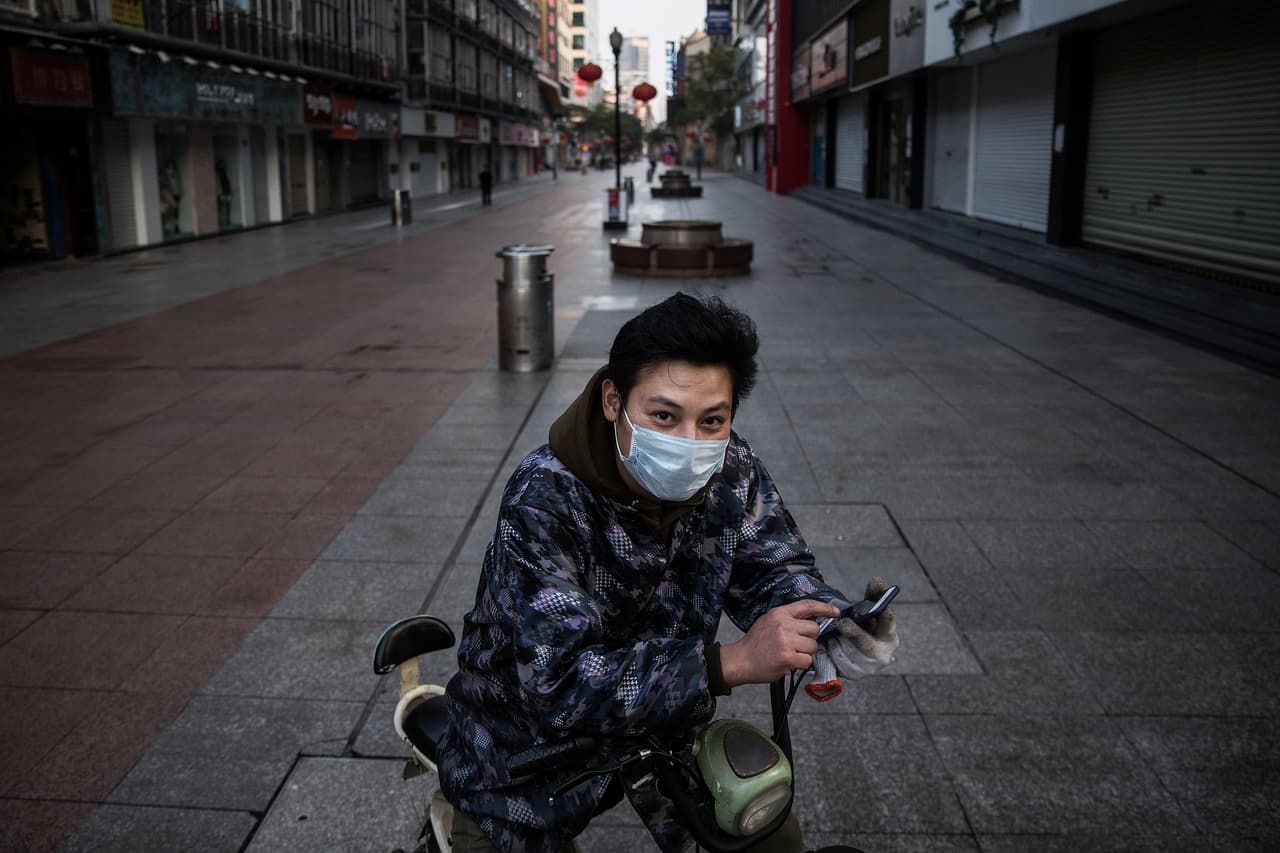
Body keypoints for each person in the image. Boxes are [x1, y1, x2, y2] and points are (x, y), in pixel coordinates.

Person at [437, 293, 899, 853]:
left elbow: (774, 566)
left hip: (662, 724)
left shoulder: (731, 467)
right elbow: (558, 684)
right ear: (614, 400)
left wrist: (831, 621)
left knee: (770, 836)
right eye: (663, 416)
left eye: (713, 420)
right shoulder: (544, 497)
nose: (690, 443)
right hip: (525, 749)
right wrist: (727, 663)